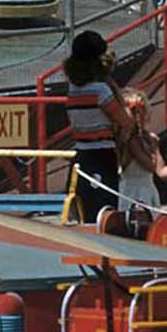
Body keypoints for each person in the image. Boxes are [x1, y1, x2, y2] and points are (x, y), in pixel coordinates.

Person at [63, 31, 134, 223]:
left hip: (81, 154)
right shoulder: (100, 91)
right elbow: (126, 120)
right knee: (104, 213)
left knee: (84, 212)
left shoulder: (73, 89)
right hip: (101, 156)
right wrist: (116, 90)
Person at [117, 88, 167, 211]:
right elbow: (150, 166)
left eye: (142, 111)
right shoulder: (131, 141)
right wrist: (154, 148)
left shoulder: (145, 138)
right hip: (133, 190)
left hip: (148, 187)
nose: (139, 117)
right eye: (134, 112)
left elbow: (160, 171)